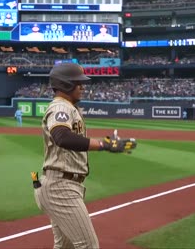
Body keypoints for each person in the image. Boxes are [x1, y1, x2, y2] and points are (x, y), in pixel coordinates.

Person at [33, 63, 137, 249]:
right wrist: (104, 145)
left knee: (65, 246)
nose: (83, 87)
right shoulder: (60, 108)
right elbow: (62, 137)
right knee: (88, 246)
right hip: (60, 188)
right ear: (65, 85)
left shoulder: (67, 107)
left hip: (61, 184)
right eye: (78, 83)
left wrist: (104, 142)